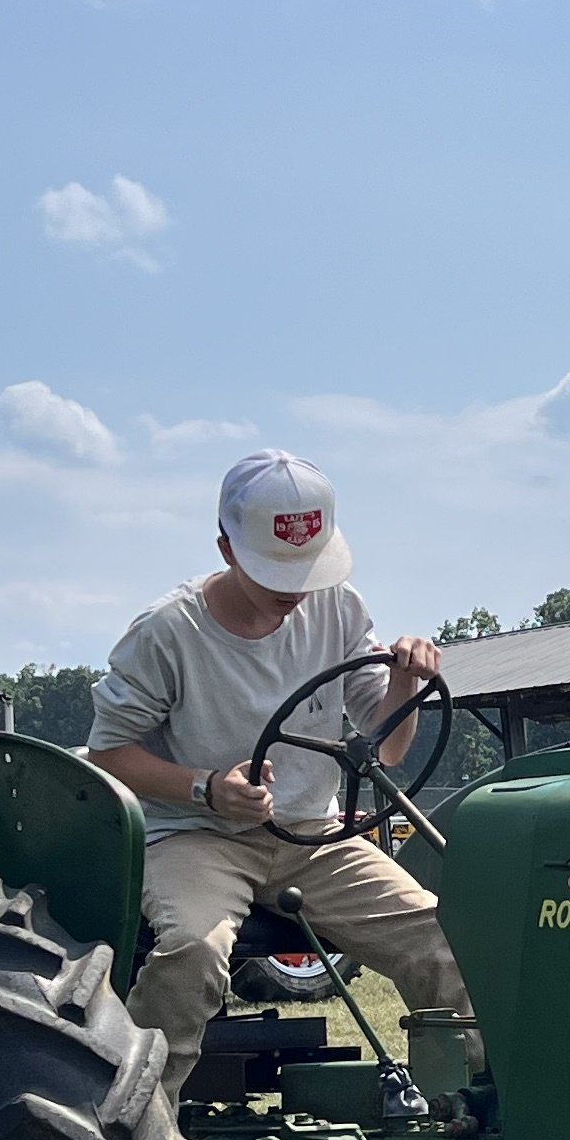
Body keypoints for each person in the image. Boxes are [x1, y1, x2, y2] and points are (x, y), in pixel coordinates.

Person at [86, 450, 479, 1097]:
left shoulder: (337, 607)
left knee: (440, 937)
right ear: (226, 548)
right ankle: (140, 1122)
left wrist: (407, 677)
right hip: (197, 836)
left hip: (309, 837)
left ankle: (457, 1107)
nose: (294, 586)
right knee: (193, 951)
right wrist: (207, 787)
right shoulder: (168, 633)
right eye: (276, 568)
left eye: (307, 565)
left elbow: (385, 750)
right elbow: (108, 756)